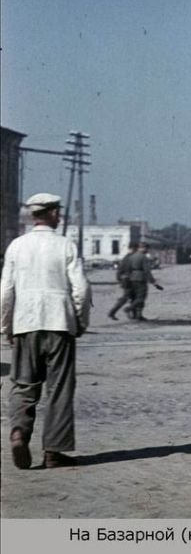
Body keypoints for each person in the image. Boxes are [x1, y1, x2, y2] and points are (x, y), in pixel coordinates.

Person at [0, 193, 91, 469]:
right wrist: (80, 321)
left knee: (23, 384)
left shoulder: (16, 246)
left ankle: (19, 433)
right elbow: (82, 289)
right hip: (59, 324)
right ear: (52, 214)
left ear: (32, 215)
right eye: (57, 211)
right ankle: (54, 451)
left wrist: (6, 326)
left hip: (25, 324)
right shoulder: (65, 245)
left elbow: (5, 291)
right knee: (60, 387)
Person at [125, 242, 163, 320]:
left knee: (134, 297)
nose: (147, 250)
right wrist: (153, 282)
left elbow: (127, 269)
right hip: (140, 278)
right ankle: (129, 309)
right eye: (146, 248)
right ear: (143, 248)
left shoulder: (131, 256)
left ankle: (137, 315)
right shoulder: (143, 257)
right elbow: (147, 271)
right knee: (141, 297)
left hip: (131, 278)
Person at [108, 242, 137, 320]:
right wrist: (122, 281)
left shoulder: (128, 257)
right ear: (132, 249)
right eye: (135, 249)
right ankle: (112, 312)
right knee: (126, 298)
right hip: (128, 281)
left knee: (133, 298)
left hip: (129, 281)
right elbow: (121, 271)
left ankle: (135, 315)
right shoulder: (128, 258)